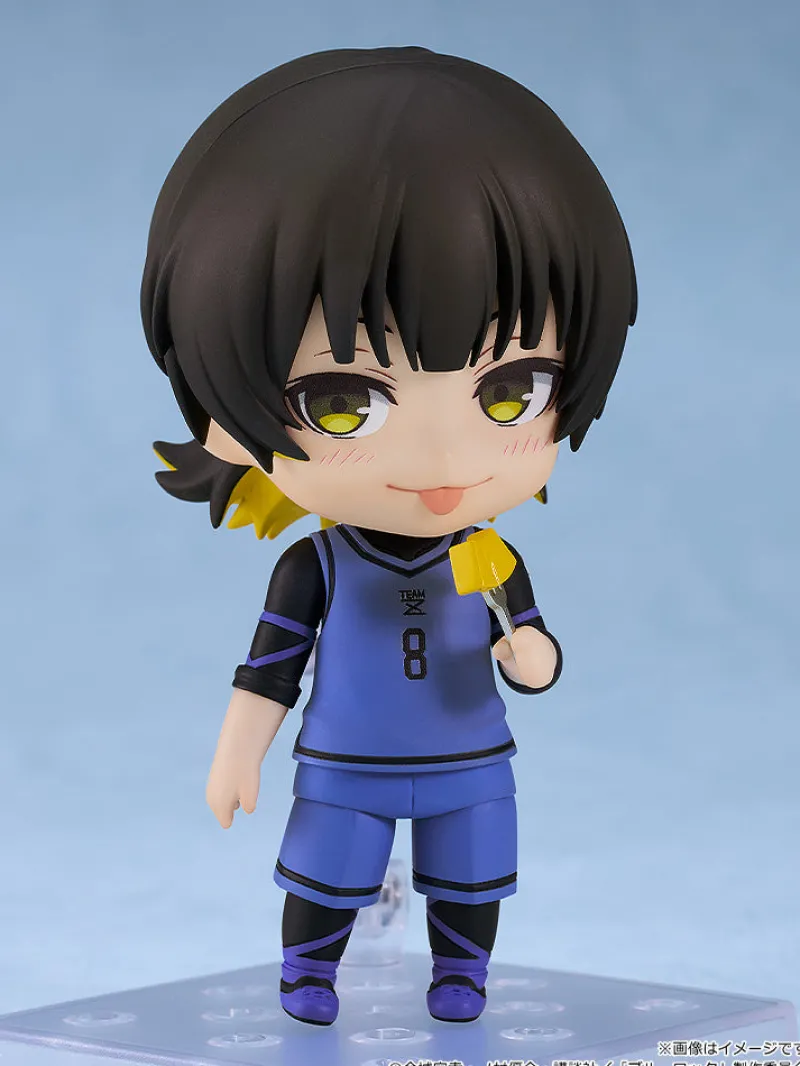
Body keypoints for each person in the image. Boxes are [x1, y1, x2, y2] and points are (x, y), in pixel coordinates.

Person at [141, 45, 637, 1027]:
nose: (444, 456)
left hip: (468, 757)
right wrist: (238, 751)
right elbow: (271, 667)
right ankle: (308, 972)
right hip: (345, 761)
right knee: (327, 871)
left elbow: (531, 647)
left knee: (472, 872)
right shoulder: (317, 564)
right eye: (342, 401)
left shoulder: (490, 559)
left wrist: (530, 656)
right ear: (226, 413)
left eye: (511, 391)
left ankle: (461, 972)